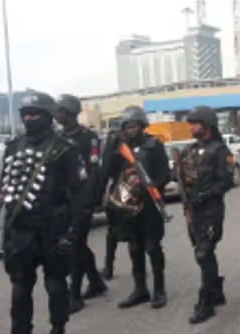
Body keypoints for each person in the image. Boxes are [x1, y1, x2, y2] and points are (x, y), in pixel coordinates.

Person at [0, 92, 90, 334]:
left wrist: (72, 232)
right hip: (22, 229)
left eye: (34, 114)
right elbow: (3, 190)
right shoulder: (13, 147)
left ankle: (58, 329)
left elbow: (81, 194)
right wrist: (6, 233)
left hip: (53, 229)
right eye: (25, 114)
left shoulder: (65, 149)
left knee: (56, 287)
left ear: (48, 116)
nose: (29, 118)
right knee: (19, 289)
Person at [97, 105, 170, 309]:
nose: (130, 130)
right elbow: (108, 172)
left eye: (134, 126)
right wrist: (110, 150)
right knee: (134, 248)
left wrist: (148, 187)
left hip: (149, 206)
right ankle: (140, 289)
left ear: (142, 125)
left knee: (152, 247)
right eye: (127, 126)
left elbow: (165, 174)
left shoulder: (154, 145)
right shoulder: (120, 149)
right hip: (128, 207)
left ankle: (159, 289)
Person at [54, 94, 108, 314]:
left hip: (80, 199)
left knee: (75, 245)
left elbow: (93, 169)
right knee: (78, 243)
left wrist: (90, 200)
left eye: (59, 111)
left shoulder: (88, 137)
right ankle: (96, 282)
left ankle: (74, 295)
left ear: (68, 112)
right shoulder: (56, 138)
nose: (56, 115)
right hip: (62, 201)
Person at [179, 106, 232, 324]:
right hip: (194, 211)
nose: (191, 127)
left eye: (195, 123)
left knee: (204, 253)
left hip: (211, 210)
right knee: (204, 255)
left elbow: (225, 181)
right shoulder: (189, 150)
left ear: (207, 125)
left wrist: (206, 195)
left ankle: (206, 303)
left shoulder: (219, 150)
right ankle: (217, 292)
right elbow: (183, 179)